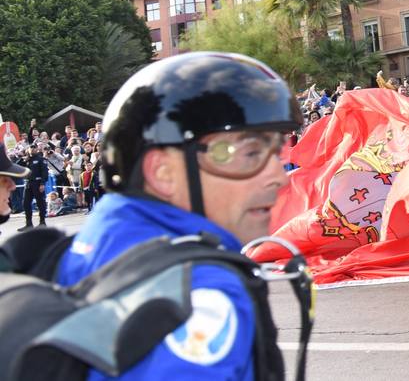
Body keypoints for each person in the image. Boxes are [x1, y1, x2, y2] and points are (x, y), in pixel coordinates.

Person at [55, 52, 301, 379]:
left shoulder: (98, 242)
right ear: (163, 173)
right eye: (250, 153)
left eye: (276, 152)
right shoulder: (203, 294)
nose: (278, 176)